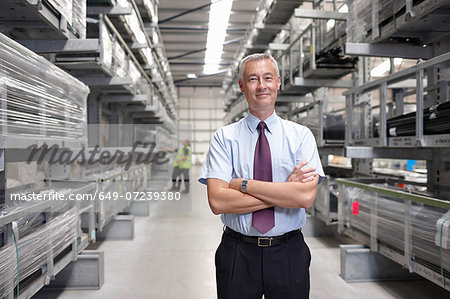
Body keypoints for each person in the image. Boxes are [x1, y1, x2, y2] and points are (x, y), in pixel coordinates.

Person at [199, 53, 324, 299]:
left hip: (289, 252)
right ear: (242, 86)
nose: (262, 85)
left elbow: (305, 197)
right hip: (237, 252)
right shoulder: (224, 138)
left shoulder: (301, 136)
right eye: (253, 79)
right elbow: (218, 202)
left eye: (268, 78)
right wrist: (285, 190)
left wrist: (242, 184)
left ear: (278, 82)